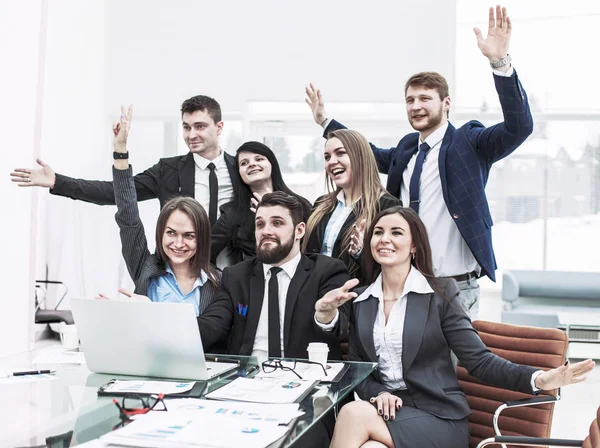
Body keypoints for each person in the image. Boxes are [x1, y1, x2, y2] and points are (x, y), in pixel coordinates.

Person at [305, 6, 534, 319]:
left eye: (425, 98)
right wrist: (325, 122)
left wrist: (500, 63)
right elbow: (363, 152)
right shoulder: (405, 150)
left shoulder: (469, 141)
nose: (416, 106)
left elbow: (519, 127)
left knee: (453, 368)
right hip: (407, 282)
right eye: (410, 100)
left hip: (455, 285)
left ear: (446, 103)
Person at [314, 205, 595, 448]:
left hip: (438, 417)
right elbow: (357, 368)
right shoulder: (362, 298)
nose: (384, 239)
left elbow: (479, 361)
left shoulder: (440, 295)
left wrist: (539, 379)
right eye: (378, 232)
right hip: (386, 414)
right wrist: (378, 392)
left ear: (414, 246)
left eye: (396, 232)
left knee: (352, 413)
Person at [10, 95, 239, 226]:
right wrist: (57, 181)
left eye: (200, 126)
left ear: (219, 128)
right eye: (186, 127)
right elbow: (115, 193)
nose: (191, 135)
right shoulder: (168, 170)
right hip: (179, 274)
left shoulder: (240, 170)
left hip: (233, 277)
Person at [97, 106, 221, 329]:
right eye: (171, 233)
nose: (178, 243)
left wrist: (152, 312)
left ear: (201, 238)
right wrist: (120, 152)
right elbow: (128, 216)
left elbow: (214, 334)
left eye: (189, 236)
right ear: (161, 233)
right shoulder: (145, 267)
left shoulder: (217, 282)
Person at [198, 190, 357, 360]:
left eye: (277, 223)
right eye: (260, 224)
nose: (266, 231)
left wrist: (325, 315)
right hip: (247, 379)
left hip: (304, 377)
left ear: (300, 230)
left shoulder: (326, 270)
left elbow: (338, 327)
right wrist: (175, 329)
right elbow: (213, 323)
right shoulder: (235, 276)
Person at [302, 129, 400, 282]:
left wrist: (361, 253)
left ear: (361, 157)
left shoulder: (387, 206)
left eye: (340, 153)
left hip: (354, 300)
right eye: (327, 157)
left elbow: (392, 267)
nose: (332, 161)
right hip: (316, 297)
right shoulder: (321, 205)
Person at [211, 141, 311, 266]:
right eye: (244, 163)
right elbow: (204, 254)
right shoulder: (231, 213)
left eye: (259, 159)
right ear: (239, 173)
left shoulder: (301, 204)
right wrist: (226, 279)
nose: (252, 164)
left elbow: (312, 248)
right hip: (252, 282)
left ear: (272, 164)